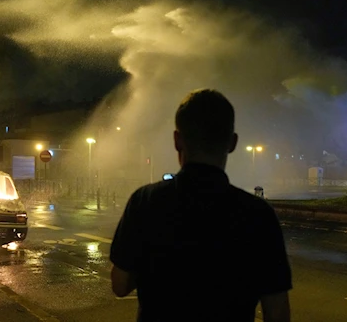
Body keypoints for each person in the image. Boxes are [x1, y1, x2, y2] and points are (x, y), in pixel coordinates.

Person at [110, 89, 292, 322]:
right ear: (232, 143)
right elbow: (277, 311)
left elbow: (120, 285)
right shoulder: (258, 215)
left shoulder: (145, 201)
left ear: (177, 140)